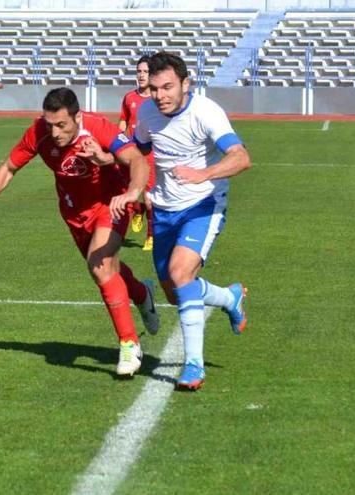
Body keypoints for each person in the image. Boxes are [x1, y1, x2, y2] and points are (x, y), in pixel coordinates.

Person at [0, 87, 159, 377]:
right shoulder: (39, 131)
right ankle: (141, 293)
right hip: (74, 212)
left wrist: (133, 192)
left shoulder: (98, 126)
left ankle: (129, 344)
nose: (55, 132)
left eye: (62, 125)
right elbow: (8, 168)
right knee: (106, 266)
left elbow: (136, 159)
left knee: (100, 267)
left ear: (77, 117)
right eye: (50, 125)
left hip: (110, 203)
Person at [134, 52, 250, 390]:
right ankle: (229, 298)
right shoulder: (146, 112)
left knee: (180, 273)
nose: (161, 96)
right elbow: (138, 151)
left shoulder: (206, 112)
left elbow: (241, 158)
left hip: (204, 203)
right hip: (164, 207)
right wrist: (136, 185)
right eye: (154, 88)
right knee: (175, 292)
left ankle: (194, 366)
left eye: (168, 87)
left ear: (186, 83)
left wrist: (204, 174)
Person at [119, 54, 155, 252]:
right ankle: (136, 210)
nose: (141, 76)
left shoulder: (158, 100)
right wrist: (119, 139)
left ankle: (151, 237)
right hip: (130, 153)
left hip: (150, 153)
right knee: (128, 194)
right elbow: (123, 121)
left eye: (146, 72)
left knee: (150, 199)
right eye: (139, 72)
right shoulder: (129, 98)